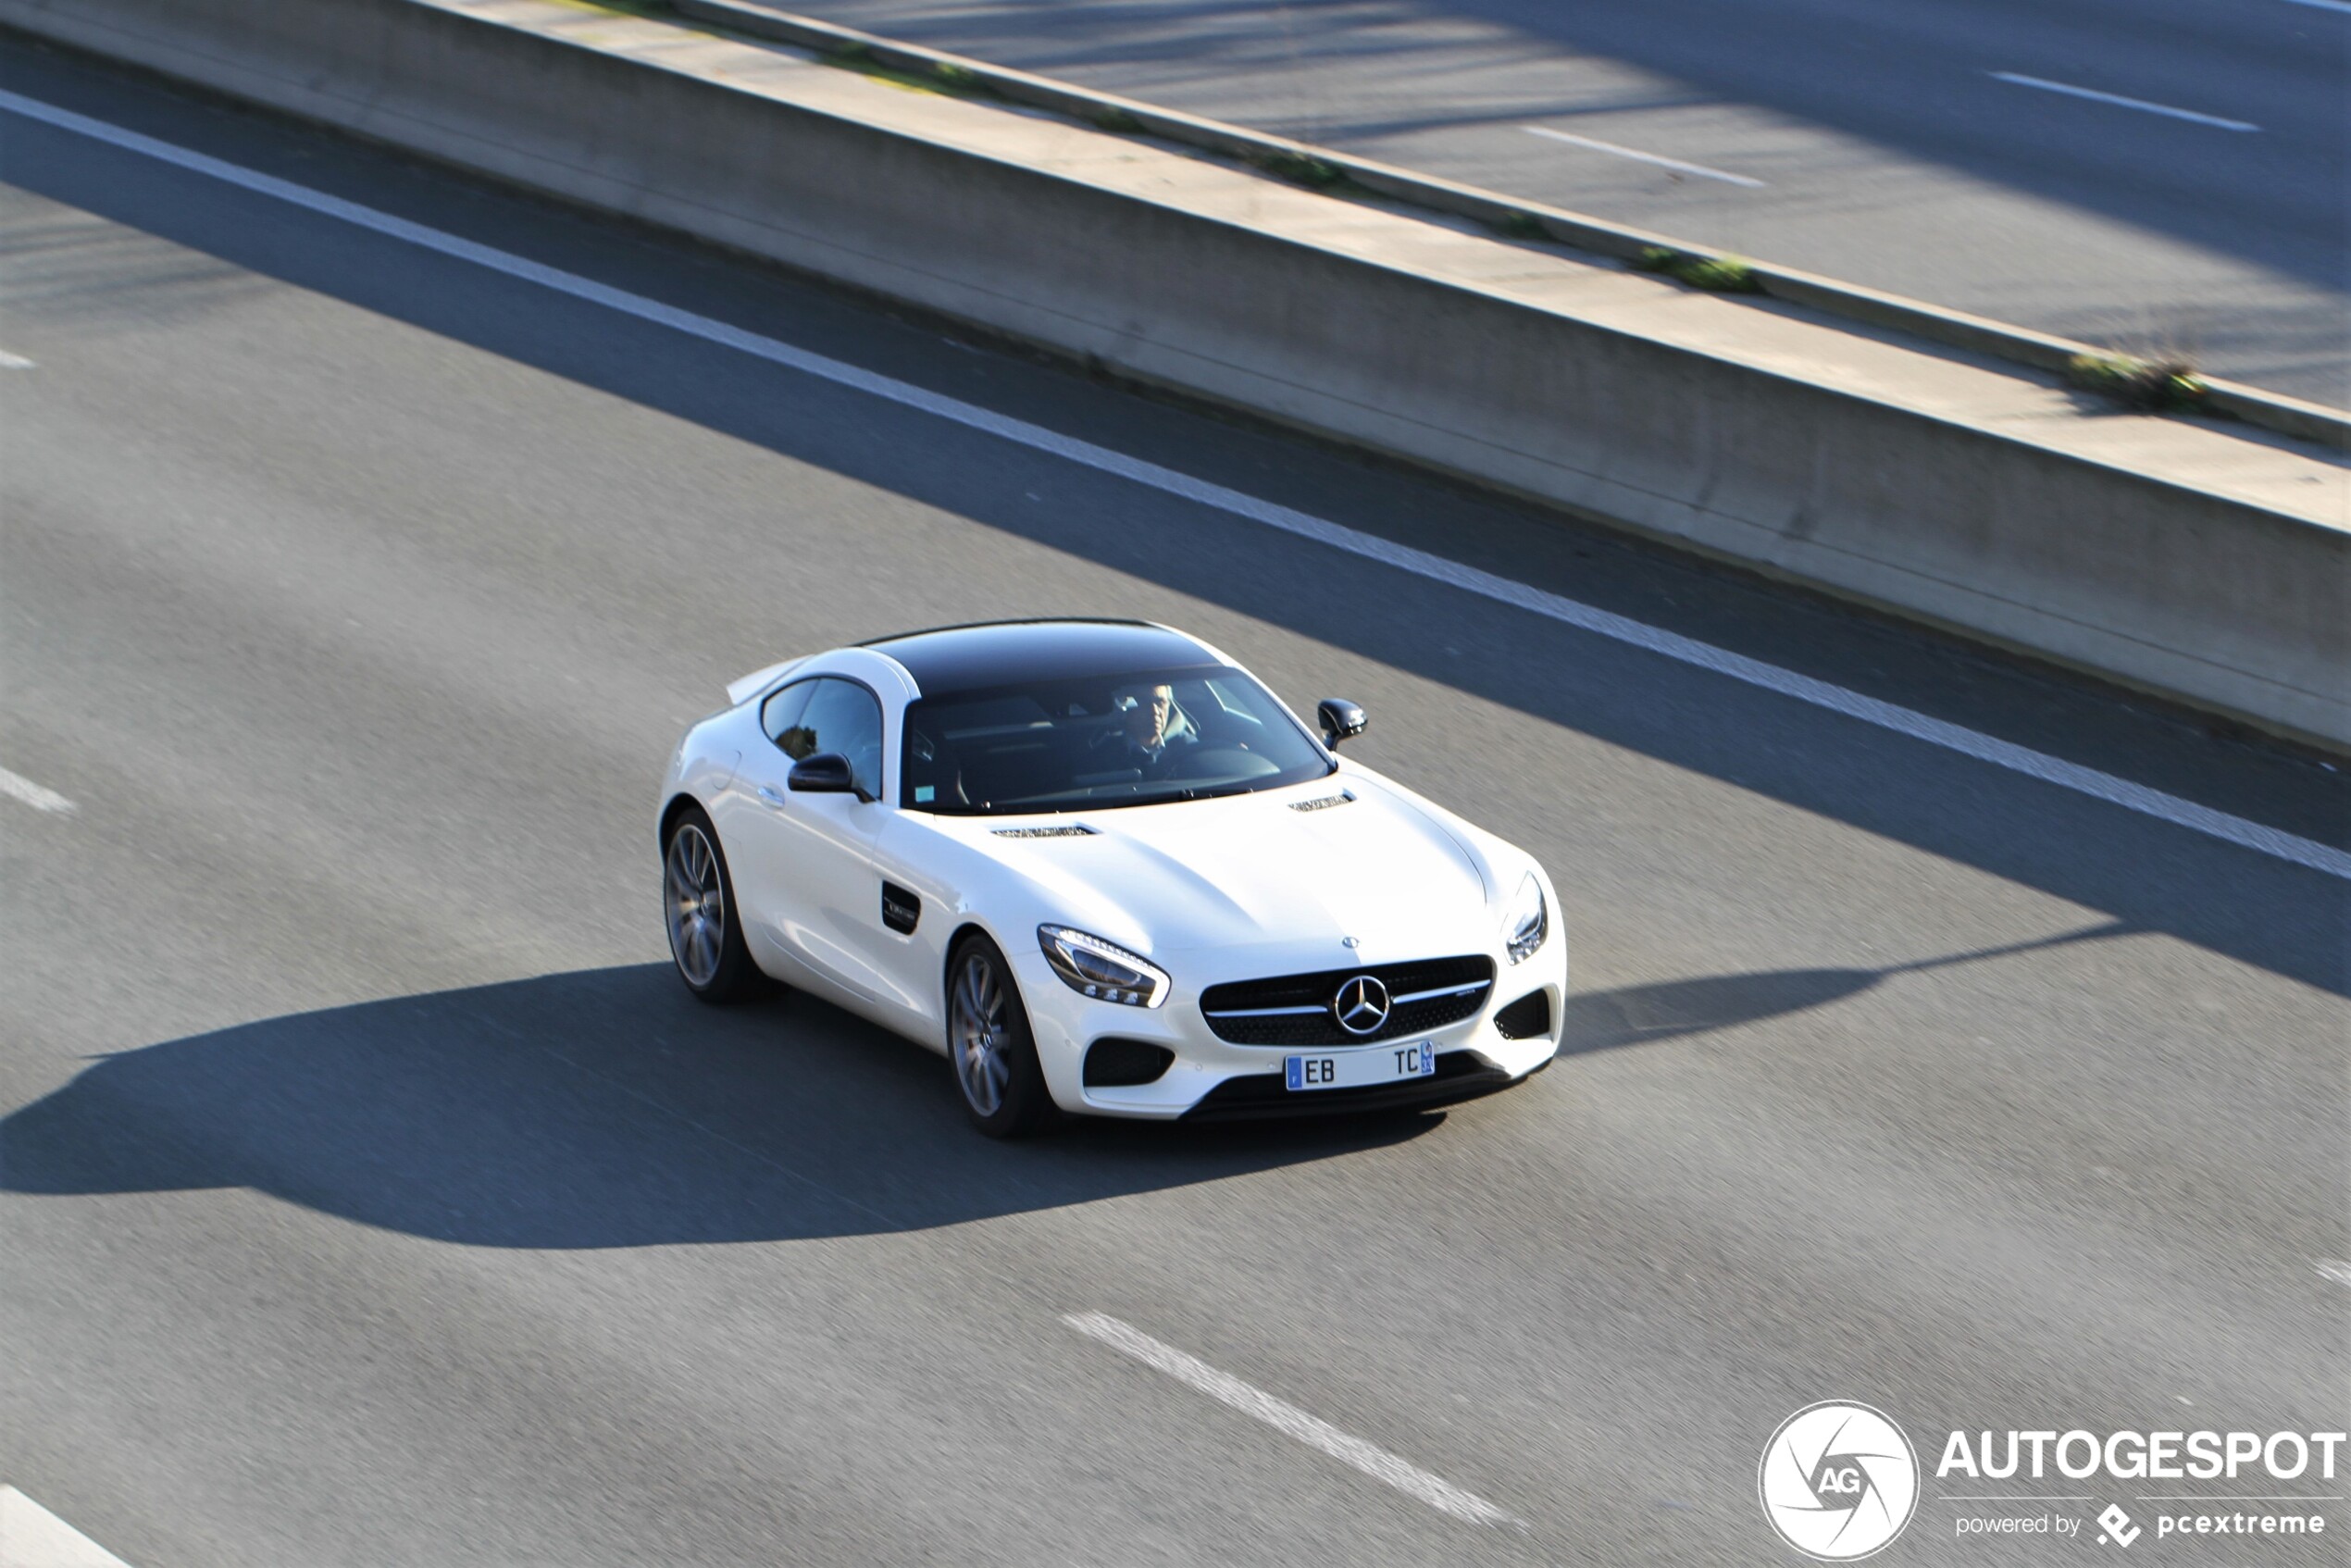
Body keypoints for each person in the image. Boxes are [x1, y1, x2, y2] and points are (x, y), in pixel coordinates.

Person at [1096, 681, 1198, 775]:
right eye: (1144, 703)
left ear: (1169, 705)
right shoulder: (1104, 756)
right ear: (1125, 708)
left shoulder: (1188, 749)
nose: (1155, 711)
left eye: (1161, 702)